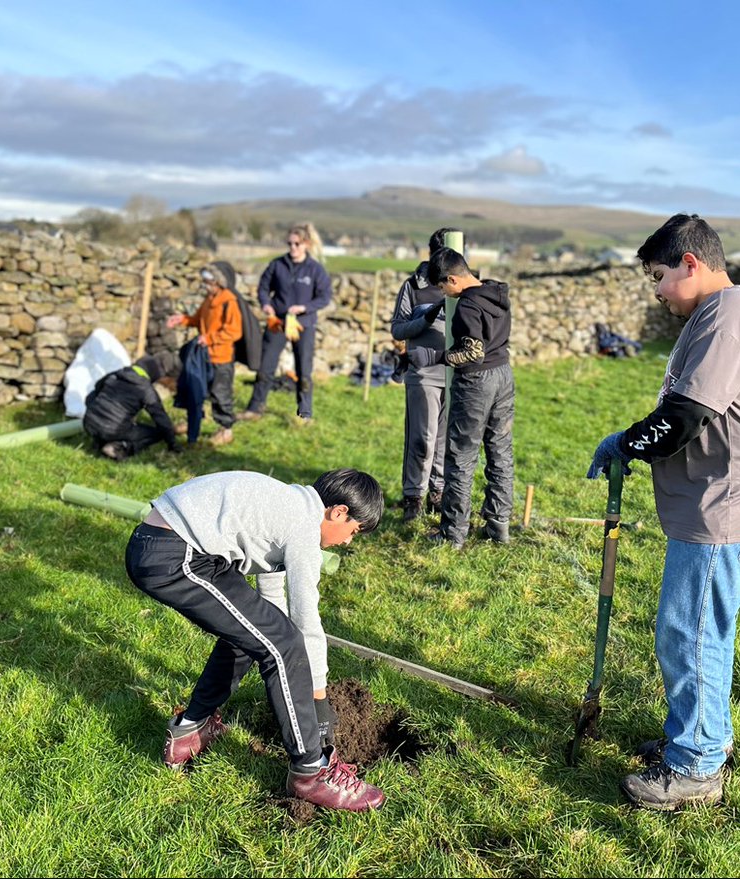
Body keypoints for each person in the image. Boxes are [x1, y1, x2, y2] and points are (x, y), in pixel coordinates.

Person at [585, 213, 740, 811]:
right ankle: (704, 737)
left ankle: (697, 766)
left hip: (725, 505)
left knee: (690, 632)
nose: (655, 290)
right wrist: (629, 439)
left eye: (658, 276)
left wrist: (626, 444)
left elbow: (683, 420)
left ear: (691, 264)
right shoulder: (716, 314)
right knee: (703, 631)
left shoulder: (727, 318)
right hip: (720, 498)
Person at [124, 468, 387, 812]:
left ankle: (190, 730)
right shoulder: (303, 526)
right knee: (284, 643)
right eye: (354, 531)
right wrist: (319, 700)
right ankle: (312, 769)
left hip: (174, 548)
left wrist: (274, 637)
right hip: (174, 555)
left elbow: (271, 601)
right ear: (338, 512)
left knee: (253, 636)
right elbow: (306, 624)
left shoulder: (292, 504)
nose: (349, 541)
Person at [406, 247, 514, 549]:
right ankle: (498, 525)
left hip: (476, 383)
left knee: (461, 456)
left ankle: (452, 533)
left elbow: (472, 352)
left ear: (453, 279)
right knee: (500, 452)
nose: (443, 293)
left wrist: (436, 356)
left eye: (442, 286)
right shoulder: (495, 293)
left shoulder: (467, 306)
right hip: (504, 375)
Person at [390, 228, 459, 521]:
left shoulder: (463, 284)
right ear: (431, 254)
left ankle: (438, 492)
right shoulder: (413, 286)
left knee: (447, 438)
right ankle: (413, 495)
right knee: (422, 438)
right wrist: (428, 316)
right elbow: (398, 329)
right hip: (424, 373)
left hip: (456, 373)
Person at [238, 222, 333, 424]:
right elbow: (263, 288)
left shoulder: (315, 270)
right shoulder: (277, 265)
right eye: (289, 243)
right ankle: (255, 409)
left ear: (306, 244)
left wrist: (304, 308)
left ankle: (304, 414)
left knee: (304, 372)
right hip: (277, 323)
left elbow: (325, 297)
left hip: (303, 325)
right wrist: (266, 305)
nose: (292, 248)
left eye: (297, 244)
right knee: (265, 367)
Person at [165, 261, 243, 446]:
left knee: (220, 393)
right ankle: (196, 420)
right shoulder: (209, 299)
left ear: (218, 282)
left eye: (208, 281)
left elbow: (235, 331)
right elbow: (198, 320)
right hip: (205, 357)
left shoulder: (229, 301)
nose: (205, 285)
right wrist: (182, 319)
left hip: (221, 358)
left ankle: (226, 430)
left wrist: (210, 339)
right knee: (197, 390)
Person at [82, 351, 182, 461]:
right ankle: (119, 447)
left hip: (88, 422)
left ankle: (98, 441)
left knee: (113, 424)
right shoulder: (145, 390)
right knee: (157, 433)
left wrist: (92, 412)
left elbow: (94, 392)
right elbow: (162, 420)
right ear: (161, 375)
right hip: (112, 430)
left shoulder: (117, 374)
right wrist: (172, 444)